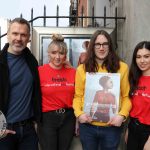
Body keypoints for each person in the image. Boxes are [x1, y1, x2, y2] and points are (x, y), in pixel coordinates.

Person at [73, 29, 132, 150]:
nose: (101, 48)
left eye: (105, 44)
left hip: (112, 127)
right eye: (98, 44)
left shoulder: (123, 68)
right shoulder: (81, 69)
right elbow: (77, 97)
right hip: (88, 126)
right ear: (92, 46)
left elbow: (126, 97)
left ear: (110, 46)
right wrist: (79, 114)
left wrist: (122, 115)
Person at [0, 18, 42, 150]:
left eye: (23, 35)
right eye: (15, 33)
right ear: (8, 35)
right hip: (4, 131)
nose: (19, 38)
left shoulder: (32, 62)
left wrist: (36, 122)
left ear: (29, 38)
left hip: (28, 131)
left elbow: (37, 92)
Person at [37, 34, 76, 150]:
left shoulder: (73, 72)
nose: (57, 57)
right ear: (48, 54)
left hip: (69, 118)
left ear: (66, 55)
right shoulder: (40, 71)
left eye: (61, 53)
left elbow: (79, 96)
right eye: (54, 53)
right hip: (47, 118)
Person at [126, 41, 150, 150]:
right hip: (133, 128)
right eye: (138, 57)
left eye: (146, 56)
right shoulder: (133, 79)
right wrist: (128, 130)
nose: (142, 61)